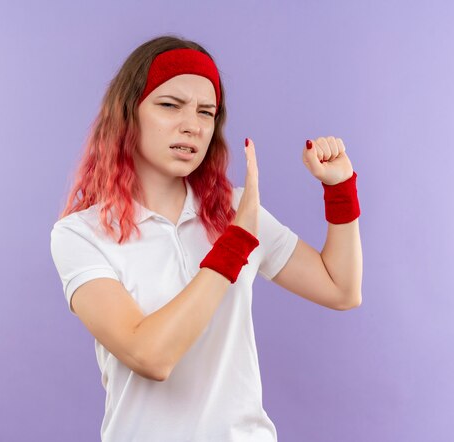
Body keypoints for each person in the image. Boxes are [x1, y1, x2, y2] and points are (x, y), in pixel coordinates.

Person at [50, 35, 362, 442]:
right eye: (169, 105)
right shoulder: (80, 234)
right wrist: (235, 242)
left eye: (206, 112)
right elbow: (151, 355)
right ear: (128, 114)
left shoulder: (233, 210)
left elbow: (341, 289)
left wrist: (340, 190)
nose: (192, 125)